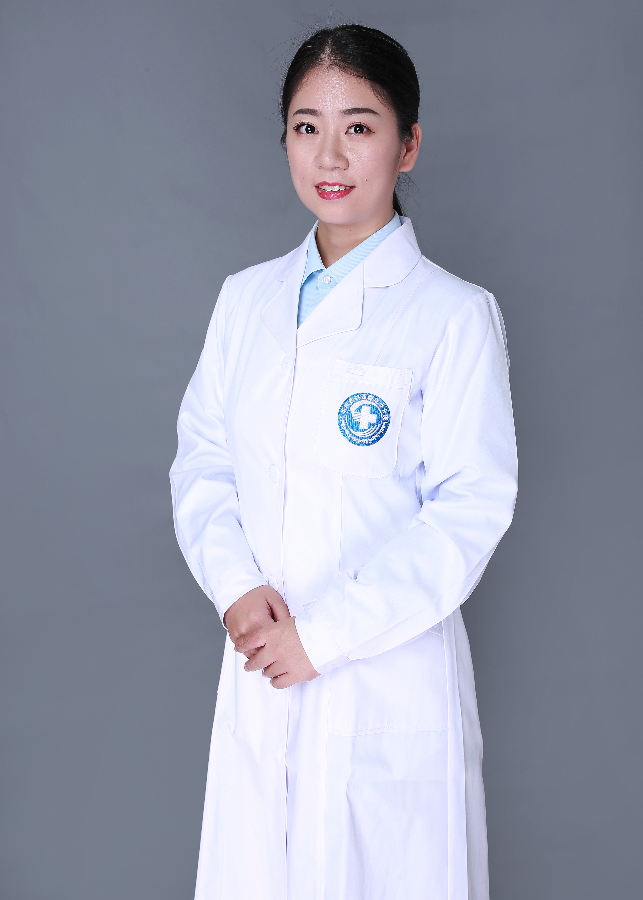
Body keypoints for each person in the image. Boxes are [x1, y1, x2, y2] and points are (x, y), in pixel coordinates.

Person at [170, 23, 517, 900]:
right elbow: (203, 461)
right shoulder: (244, 302)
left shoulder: (452, 315)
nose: (330, 155)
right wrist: (234, 587)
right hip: (260, 665)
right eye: (306, 126)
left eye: (359, 126)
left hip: (384, 683)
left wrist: (322, 639)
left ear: (408, 145)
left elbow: (469, 509)